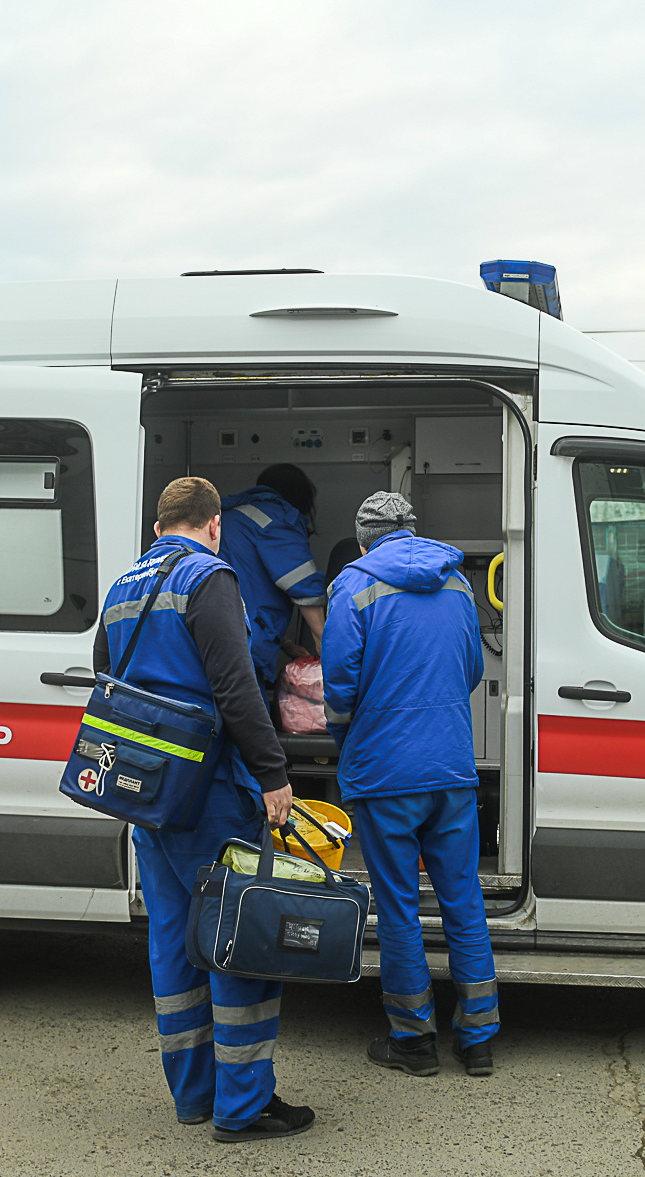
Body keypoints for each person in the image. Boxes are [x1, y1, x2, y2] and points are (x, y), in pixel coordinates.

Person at [93, 476, 313, 1142]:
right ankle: (243, 1107)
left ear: (160, 528)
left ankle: (193, 1095)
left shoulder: (123, 587)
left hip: (148, 794)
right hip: (210, 792)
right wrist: (272, 772)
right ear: (214, 525)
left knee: (174, 945)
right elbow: (235, 684)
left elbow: (105, 677)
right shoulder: (208, 578)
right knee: (238, 939)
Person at [321, 491, 500, 1077]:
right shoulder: (456, 582)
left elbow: (340, 683)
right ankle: (477, 1042)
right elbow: (472, 667)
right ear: (413, 530)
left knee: (398, 907)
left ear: (365, 535)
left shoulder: (355, 585)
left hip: (383, 772)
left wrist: (347, 736)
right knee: (463, 900)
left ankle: (413, 1041)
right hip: (450, 765)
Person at [219, 464, 328, 691]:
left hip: (212, 635)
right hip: (243, 646)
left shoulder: (230, 517)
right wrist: (324, 643)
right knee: (252, 721)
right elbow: (304, 585)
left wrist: (286, 643)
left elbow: (249, 586)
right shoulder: (279, 520)